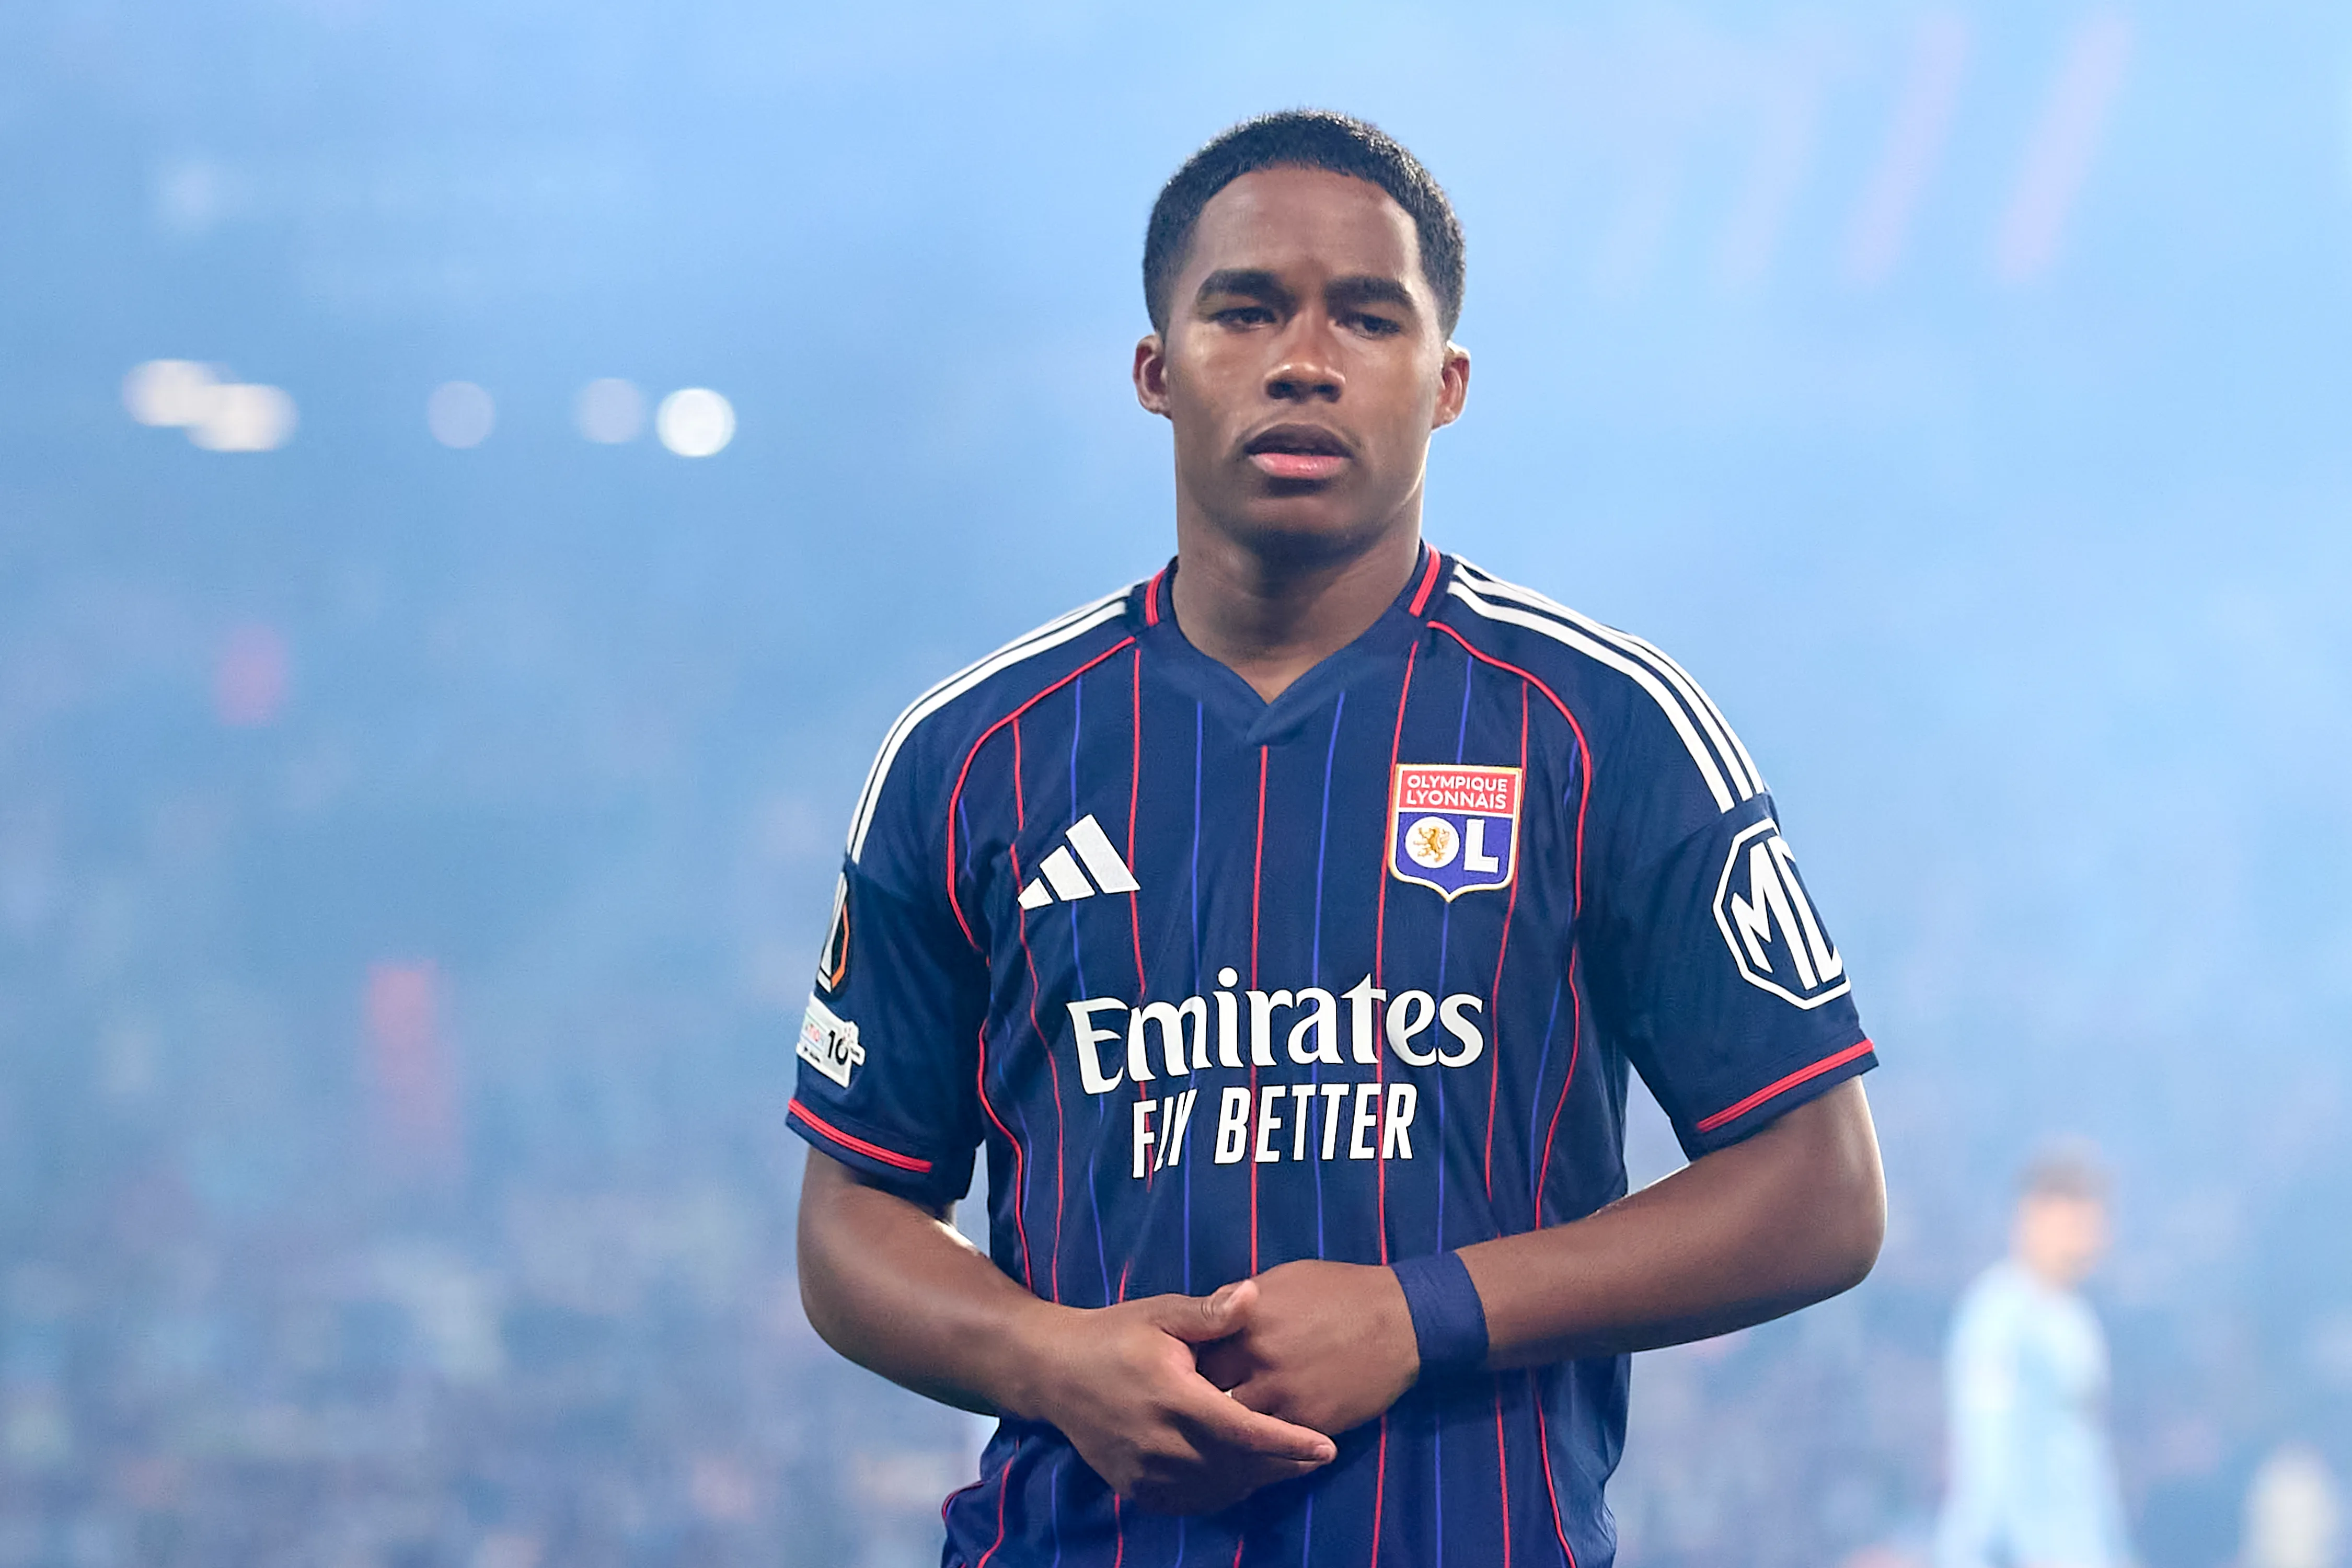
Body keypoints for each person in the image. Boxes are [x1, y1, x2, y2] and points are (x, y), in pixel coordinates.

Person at [791, 110, 1886, 1566]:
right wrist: (1047, 1360)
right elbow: (850, 1219)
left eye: (1366, 318)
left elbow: (1820, 1190)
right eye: (1243, 309)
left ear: (1444, 385)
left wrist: (1416, 1313)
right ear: (1153, 371)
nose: (1303, 359)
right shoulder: (970, 755)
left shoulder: (1601, 727)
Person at [1935, 1147, 2133, 1568]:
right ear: (2033, 1217)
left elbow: (2089, 1464)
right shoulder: (1998, 1316)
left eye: (2096, 1225)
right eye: (2077, 1224)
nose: (2091, 1240)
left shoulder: (2078, 1320)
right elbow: (1987, 1450)